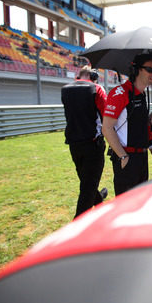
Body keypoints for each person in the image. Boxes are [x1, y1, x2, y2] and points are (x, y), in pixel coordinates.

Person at [102, 54, 152, 195]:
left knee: (140, 202)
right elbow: (106, 128)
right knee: (126, 207)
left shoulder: (142, 94)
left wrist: (149, 123)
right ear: (138, 69)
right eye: (150, 70)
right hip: (126, 158)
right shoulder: (120, 93)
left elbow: (136, 124)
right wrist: (123, 156)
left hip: (142, 157)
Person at [61, 66, 107, 218]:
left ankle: (99, 201)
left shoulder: (65, 89)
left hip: (74, 145)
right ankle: (78, 225)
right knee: (87, 188)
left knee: (87, 183)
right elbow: (106, 116)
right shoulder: (97, 89)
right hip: (93, 145)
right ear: (93, 75)